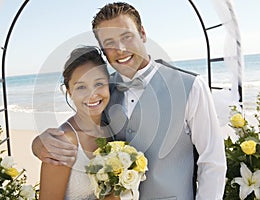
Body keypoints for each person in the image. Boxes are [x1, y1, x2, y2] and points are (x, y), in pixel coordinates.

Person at [33, 2, 227, 199]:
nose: (120, 49)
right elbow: (82, 127)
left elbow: (212, 162)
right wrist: (38, 143)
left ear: (142, 33)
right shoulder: (104, 91)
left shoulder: (191, 87)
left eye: (126, 36)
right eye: (109, 43)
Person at [38, 46, 119, 200]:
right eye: (81, 87)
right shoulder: (64, 143)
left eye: (99, 84)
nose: (92, 95)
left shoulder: (112, 130)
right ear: (69, 92)